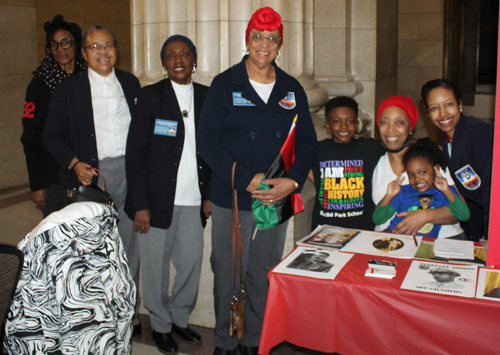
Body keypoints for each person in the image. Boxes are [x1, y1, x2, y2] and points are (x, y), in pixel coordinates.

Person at [197, 7, 317, 355]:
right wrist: (245, 178)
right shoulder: (225, 84)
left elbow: (307, 141)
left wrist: (292, 182)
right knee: (228, 270)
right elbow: (208, 142)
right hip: (232, 195)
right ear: (247, 40)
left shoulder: (291, 87)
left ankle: (253, 339)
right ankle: (225, 339)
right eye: (257, 37)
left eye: (272, 38)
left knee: (262, 270)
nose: (264, 44)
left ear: (279, 45)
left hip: (274, 198)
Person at [42, 26, 142, 335]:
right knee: (93, 248)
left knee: (128, 246)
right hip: (92, 176)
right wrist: (74, 163)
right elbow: (51, 135)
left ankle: (129, 311)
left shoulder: (130, 82)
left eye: (108, 45)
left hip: (130, 172)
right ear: (84, 53)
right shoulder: (69, 89)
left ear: (116, 49)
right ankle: (95, 313)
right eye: (94, 47)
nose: (102, 52)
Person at [125, 35, 210, 354]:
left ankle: (178, 318)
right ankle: (160, 325)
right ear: (164, 63)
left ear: (194, 60)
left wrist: (209, 194)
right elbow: (135, 155)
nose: (178, 59)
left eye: (184, 54)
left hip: (193, 201)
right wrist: (141, 205)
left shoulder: (207, 96)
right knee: (155, 267)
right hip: (156, 201)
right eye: (171, 55)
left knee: (190, 262)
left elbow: (213, 150)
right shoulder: (150, 97)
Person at [21, 14, 87, 217]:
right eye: (54, 44)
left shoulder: (89, 77)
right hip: (52, 174)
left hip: (85, 169)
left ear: (76, 45)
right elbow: (30, 137)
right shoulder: (39, 84)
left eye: (65, 42)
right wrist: (37, 184)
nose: (60, 49)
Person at [372, 95, 464, 238]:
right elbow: (377, 215)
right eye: (384, 122)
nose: (391, 129)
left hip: (442, 240)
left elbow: (460, 212)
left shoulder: (429, 156)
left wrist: (424, 215)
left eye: (399, 122)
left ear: (410, 127)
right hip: (389, 242)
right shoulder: (375, 159)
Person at [421, 79, 493, 241]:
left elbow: (493, 192)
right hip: (476, 226)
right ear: (428, 114)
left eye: (448, 104)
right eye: (434, 108)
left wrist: (492, 241)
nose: (443, 114)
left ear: (460, 104)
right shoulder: (448, 140)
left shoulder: (479, 134)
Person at [309, 96, 385, 231]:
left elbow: (399, 148)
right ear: (327, 124)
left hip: (361, 229)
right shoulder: (318, 149)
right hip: (325, 229)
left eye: (350, 121)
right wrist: (317, 179)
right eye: (337, 121)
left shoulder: (369, 148)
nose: (344, 126)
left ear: (356, 124)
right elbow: (292, 158)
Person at [373, 138, 470, 237]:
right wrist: (389, 195)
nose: (417, 179)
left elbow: (464, 216)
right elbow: (378, 219)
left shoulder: (444, 192)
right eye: (411, 175)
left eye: (422, 172)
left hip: (424, 244)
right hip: (394, 236)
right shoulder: (403, 191)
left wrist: (446, 191)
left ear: (436, 169)